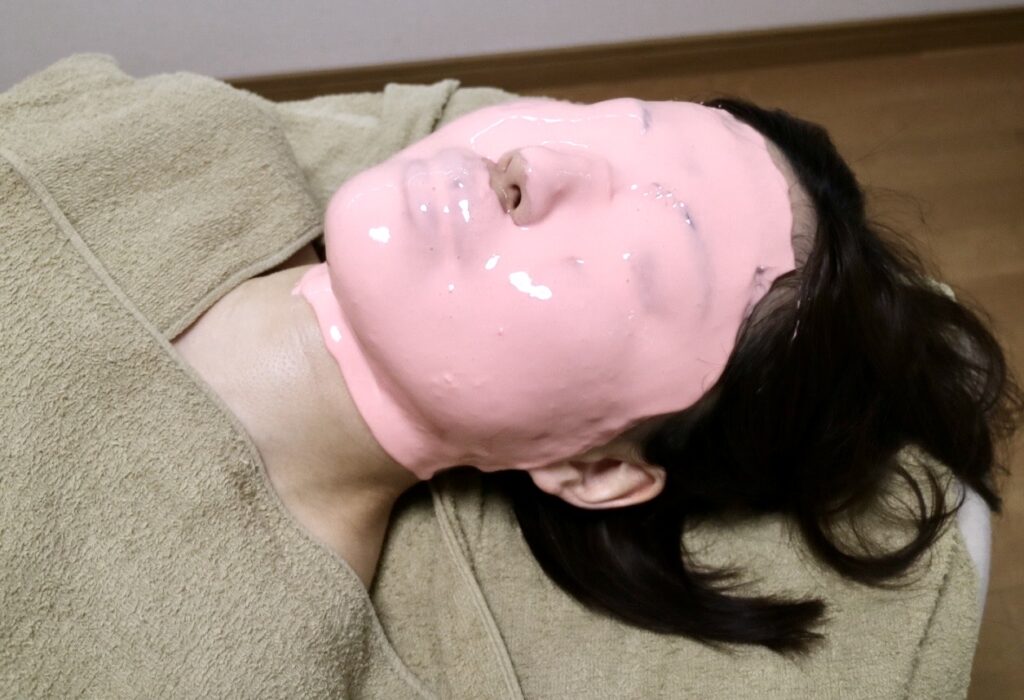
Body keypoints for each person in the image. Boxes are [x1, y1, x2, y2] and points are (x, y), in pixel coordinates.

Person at [174, 94, 1021, 655]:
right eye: (602, 123)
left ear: (595, 470)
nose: (535, 166)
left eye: (639, 271)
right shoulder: (188, 141)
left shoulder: (243, 635)